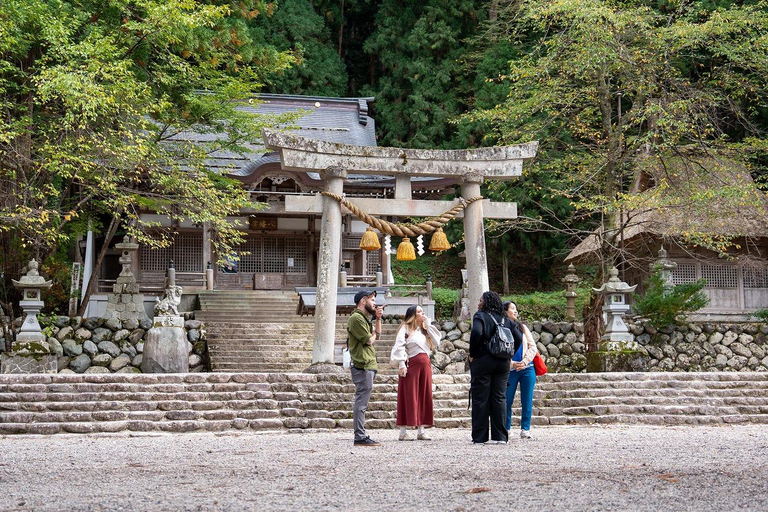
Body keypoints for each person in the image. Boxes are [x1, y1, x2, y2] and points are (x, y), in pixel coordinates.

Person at [390, 305, 442, 441]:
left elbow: (437, 342)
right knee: (408, 395)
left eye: (422, 311)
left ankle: (421, 430)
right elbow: (399, 345)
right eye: (419, 311)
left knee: (424, 395)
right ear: (413, 315)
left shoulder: (425, 330)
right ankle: (403, 431)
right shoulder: (405, 328)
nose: (422, 313)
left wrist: (429, 325)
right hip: (411, 365)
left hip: (426, 365)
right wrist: (401, 364)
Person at [468, 291, 512, 444]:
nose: (478, 302)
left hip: (484, 360)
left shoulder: (480, 315)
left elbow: (476, 332)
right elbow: (518, 336)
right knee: (499, 398)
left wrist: (473, 353)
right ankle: (500, 436)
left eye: (480, 300)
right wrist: (509, 354)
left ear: (485, 302)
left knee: (481, 398)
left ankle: (480, 437)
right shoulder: (505, 318)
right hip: (503, 362)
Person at [347, 289, 384, 446]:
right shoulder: (356, 318)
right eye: (372, 300)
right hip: (362, 365)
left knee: (363, 403)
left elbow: (378, 335)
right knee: (361, 403)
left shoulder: (364, 318)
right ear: (363, 301)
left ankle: (360, 434)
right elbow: (369, 340)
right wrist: (373, 335)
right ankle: (359, 436)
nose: (374, 303)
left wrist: (378, 319)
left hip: (368, 364)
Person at [502, 301, 538, 439]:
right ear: (505, 311)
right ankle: (507, 428)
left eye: (516, 309)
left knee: (527, 399)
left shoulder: (522, 327)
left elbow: (532, 346)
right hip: (509, 369)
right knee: (507, 399)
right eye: (512, 309)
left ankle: (525, 428)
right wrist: (512, 364)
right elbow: (499, 350)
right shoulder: (502, 327)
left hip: (527, 368)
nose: (515, 311)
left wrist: (524, 361)